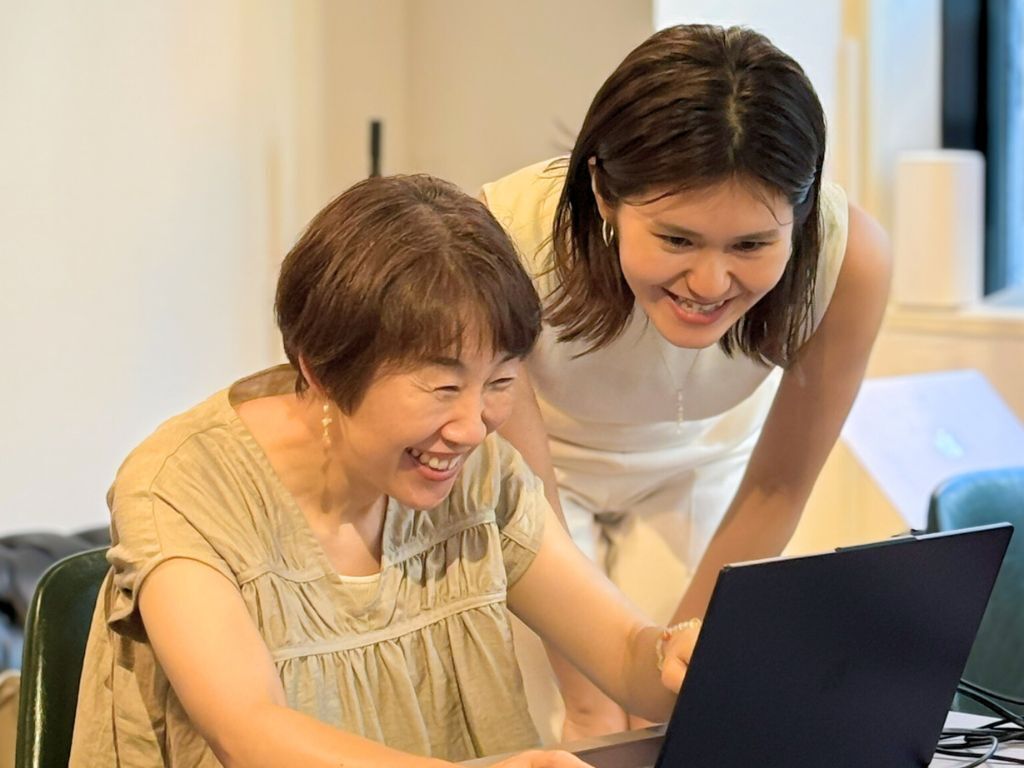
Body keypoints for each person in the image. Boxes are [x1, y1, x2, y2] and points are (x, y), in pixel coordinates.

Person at [67, 175, 700, 768]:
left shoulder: (481, 476)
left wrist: (675, 656)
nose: (473, 427)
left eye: (500, 381)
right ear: (322, 368)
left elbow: (626, 655)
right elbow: (249, 731)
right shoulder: (184, 486)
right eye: (443, 387)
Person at [482, 24, 891, 739]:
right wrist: (592, 701)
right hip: (539, 484)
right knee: (558, 722)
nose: (709, 282)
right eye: (676, 239)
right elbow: (529, 500)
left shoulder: (849, 259)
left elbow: (779, 484)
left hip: (708, 467)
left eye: (751, 245)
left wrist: (670, 686)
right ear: (604, 193)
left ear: (798, 217)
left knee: (713, 710)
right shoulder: (506, 242)